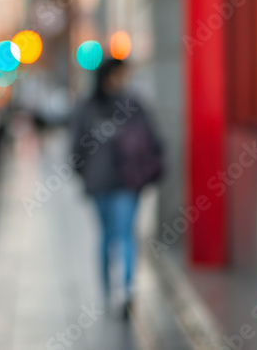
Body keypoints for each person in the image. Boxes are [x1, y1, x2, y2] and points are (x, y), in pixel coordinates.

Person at [69, 57, 162, 319]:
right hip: (127, 180)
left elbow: (76, 149)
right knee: (123, 235)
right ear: (114, 76)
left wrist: (85, 174)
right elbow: (153, 140)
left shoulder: (87, 107)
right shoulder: (133, 104)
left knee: (109, 236)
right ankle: (124, 291)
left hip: (103, 182)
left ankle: (112, 292)